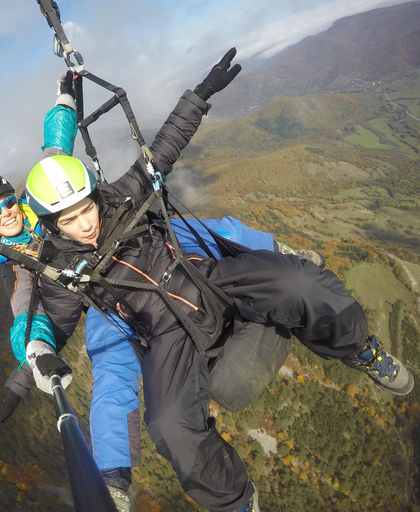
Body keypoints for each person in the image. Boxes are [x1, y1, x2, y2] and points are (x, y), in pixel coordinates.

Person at [22, 48, 414, 512]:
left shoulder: (121, 197)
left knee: (301, 283)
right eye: (70, 220)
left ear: (93, 195)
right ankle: (237, 504)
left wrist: (201, 94)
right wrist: (37, 359)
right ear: (51, 225)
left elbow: (164, 148)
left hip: (205, 278)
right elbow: (55, 324)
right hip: (165, 334)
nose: (85, 224)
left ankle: (359, 349)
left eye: (86, 209)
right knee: (170, 426)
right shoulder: (60, 270)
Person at [0, 52, 329, 510]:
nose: (4, 213)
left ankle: (282, 258)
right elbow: (29, 320)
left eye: (4, 201)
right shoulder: (18, 266)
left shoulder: (46, 194)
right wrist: (31, 365)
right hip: (99, 297)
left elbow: (56, 140)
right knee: (112, 368)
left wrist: (65, 93)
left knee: (207, 231)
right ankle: (112, 480)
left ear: (14, 196)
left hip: (124, 242)